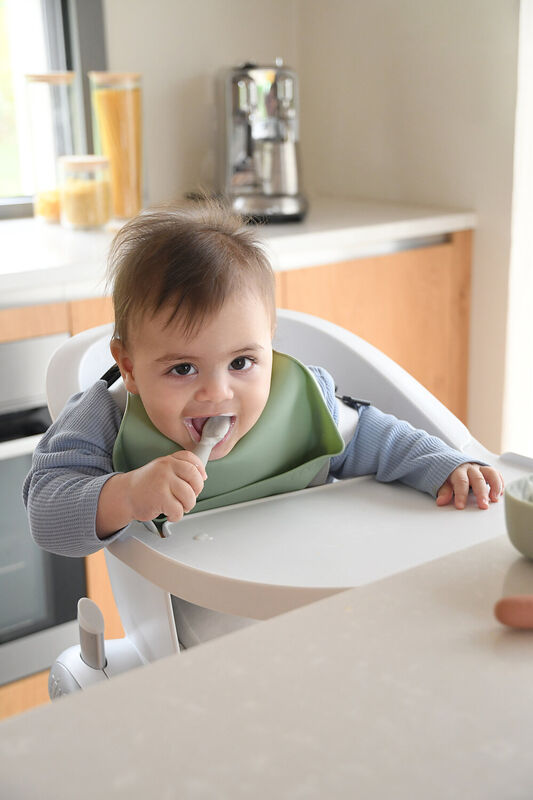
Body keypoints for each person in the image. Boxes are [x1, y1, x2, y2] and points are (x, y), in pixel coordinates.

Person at [23, 202, 503, 645]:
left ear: (269, 345)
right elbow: (46, 512)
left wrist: (443, 465)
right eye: (182, 369)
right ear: (128, 366)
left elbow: (378, 438)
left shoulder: (298, 399)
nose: (217, 393)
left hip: (321, 602)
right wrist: (125, 494)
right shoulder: (107, 416)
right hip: (194, 633)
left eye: (241, 362)